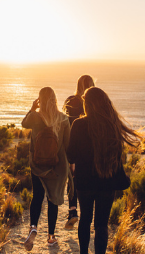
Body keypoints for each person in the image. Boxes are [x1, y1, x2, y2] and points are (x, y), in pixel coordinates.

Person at [67, 87, 142, 254]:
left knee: (85, 220)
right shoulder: (112, 126)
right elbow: (118, 158)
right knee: (101, 224)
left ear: (87, 104)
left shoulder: (78, 125)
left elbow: (70, 156)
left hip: (84, 183)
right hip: (107, 182)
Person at [21, 87, 71, 251]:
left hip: (37, 165)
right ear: (55, 99)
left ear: (40, 100)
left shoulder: (35, 117)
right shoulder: (64, 119)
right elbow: (67, 145)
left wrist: (32, 108)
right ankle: (51, 237)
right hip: (57, 167)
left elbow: (23, 124)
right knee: (53, 200)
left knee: (37, 196)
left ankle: (33, 228)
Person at [62, 74, 95, 229]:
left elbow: (64, 120)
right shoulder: (95, 103)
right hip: (91, 147)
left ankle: (73, 211)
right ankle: (88, 212)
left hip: (72, 144)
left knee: (73, 178)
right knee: (90, 179)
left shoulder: (70, 100)